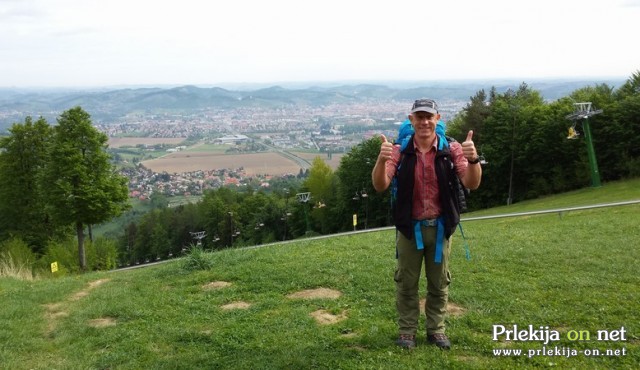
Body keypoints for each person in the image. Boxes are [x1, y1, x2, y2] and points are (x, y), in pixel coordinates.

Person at [371, 98, 482, 350]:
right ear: (411, 120)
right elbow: (380, 185)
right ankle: (407, 331)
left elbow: (472, 183)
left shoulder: (450, 149)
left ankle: (436, 330)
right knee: (406, 283)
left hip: (441, 228)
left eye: (429, 116)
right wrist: (381, 159)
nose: (424, 121)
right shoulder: (400, 150)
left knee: (439, 283)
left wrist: (473, 159)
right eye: (419, 117)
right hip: (410, 229)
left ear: (437, 118)